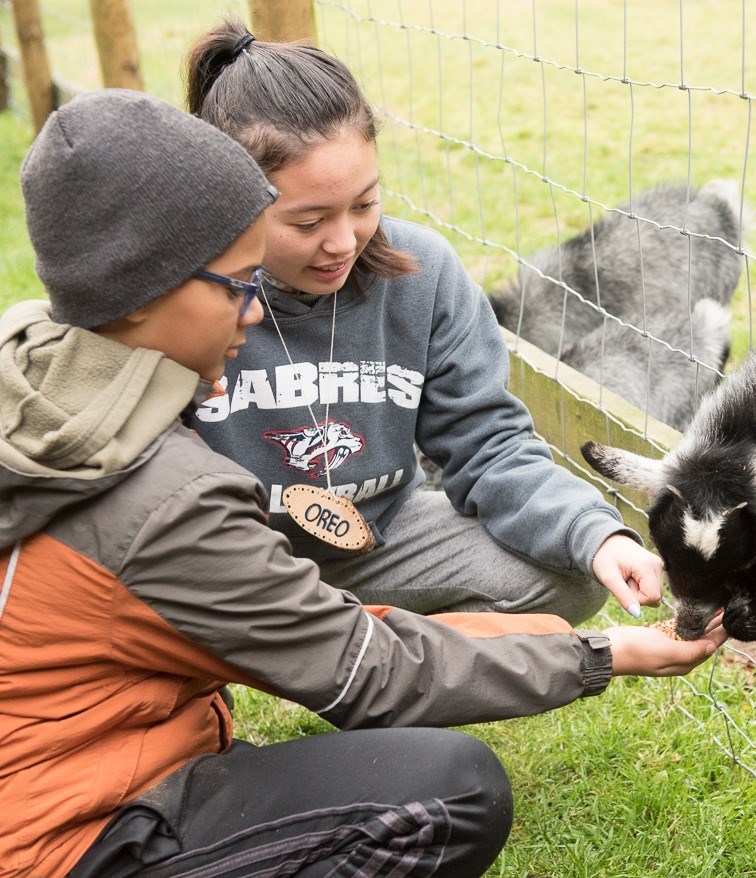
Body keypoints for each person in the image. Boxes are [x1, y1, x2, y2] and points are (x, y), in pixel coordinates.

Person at [0, 89, 726, 878]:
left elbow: (482, 444)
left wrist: (585, 553)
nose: (249, 309)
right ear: (141, 287)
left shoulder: (53, 385)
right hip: (48, 865)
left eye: (367, 203)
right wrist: (600, 656)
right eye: (238, 283)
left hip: (105, 753)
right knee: (448, 793)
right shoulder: (164, 495)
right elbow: (370, 670)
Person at [185, 20, 664, 626]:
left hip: (375, 542)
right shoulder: (184, 293)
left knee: (566, 577)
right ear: (235, 198)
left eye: (364, 204)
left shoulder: (424, 273)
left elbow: (487, 441)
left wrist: (595, 534)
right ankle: (321, 646)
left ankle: (376, 656)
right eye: (307, 222)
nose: (343, 242)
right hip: (223, 564)